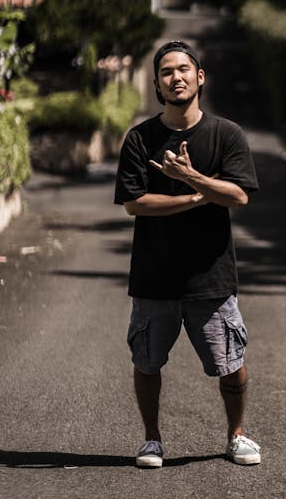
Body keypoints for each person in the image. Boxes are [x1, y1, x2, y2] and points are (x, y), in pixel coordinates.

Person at [114, 39, 261, 468]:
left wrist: (190, 176)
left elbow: (239, 195)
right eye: (165, 72)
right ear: (157, 85)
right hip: (155, 276)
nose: (175, 77)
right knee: (147, 362)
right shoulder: (141, 139)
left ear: (199, 77)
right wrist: (199, 195)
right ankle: (151, 441)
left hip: (211, 277)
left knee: (231, 363)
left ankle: (236, 435)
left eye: (183, 69)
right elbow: (135, 203)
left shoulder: (226, 134)